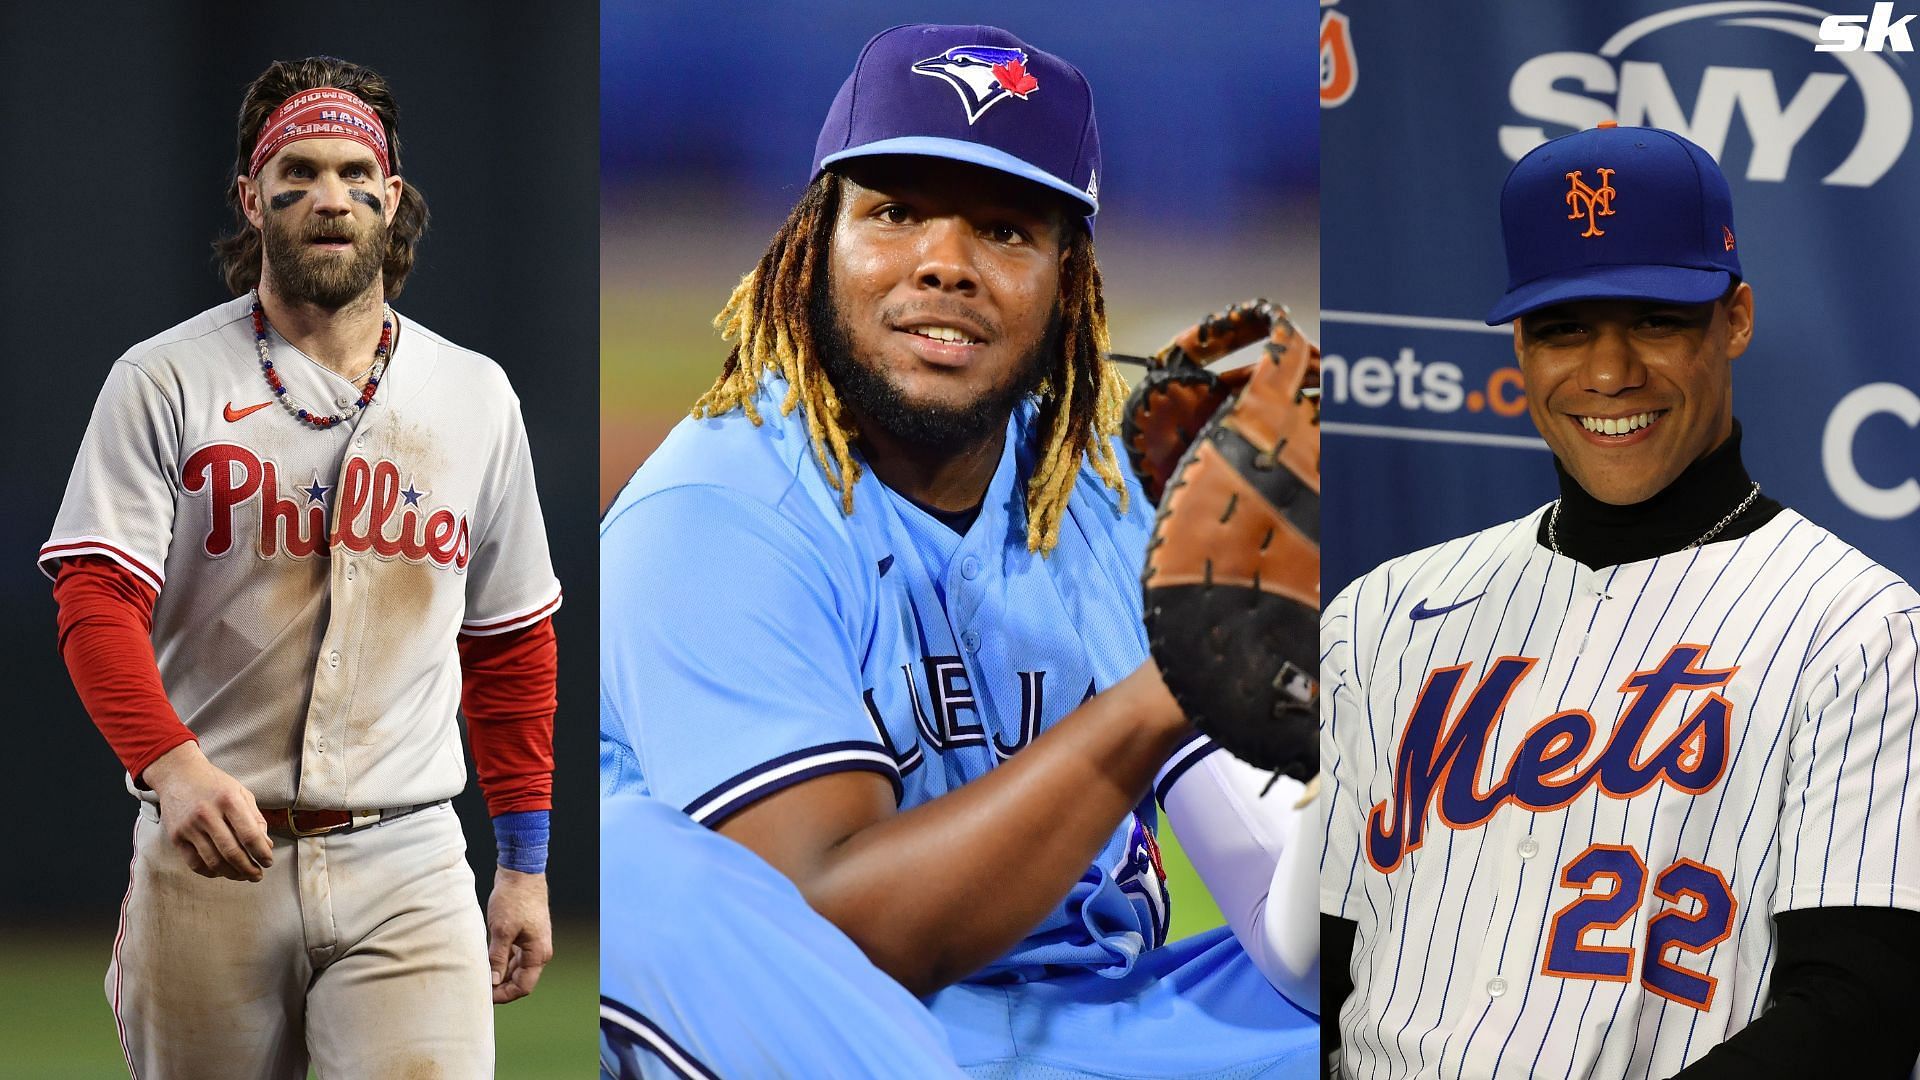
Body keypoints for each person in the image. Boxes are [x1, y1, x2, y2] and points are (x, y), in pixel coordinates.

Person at [600, 23, 1317, 1079]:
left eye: (1005, 230)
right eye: (893, 213)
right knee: (634, 874)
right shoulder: (715, 507)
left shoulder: (1124, 492)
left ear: (1070, 281)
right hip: (829, 1032)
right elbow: (851, 933)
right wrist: (1171, 686)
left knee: (1441, 978)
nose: (944, 264)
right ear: (814, 245)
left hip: (1102, 1029)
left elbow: (1294, 935)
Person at [1320, 123, 1920, 1078]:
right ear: (1519, 340)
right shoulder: (1381, 614)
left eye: (1655, 318)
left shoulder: (1856, 626)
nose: (1608, 374)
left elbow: (1865, 1000)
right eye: (1566, 328)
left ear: (1736, 318)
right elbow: (1321, 966)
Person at [41, 56, 562, 1077]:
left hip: (408, 850)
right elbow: (95, 597)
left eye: (354, 173)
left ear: (390, 197)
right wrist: (170, 764)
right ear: (253, 198)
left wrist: (526, 866)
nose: (330, 196)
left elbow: (510, 646)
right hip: (210, 854)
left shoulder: (474, 395)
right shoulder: (165, 380)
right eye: (299, 173)